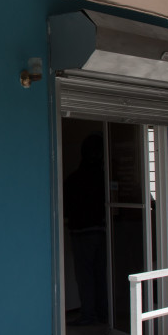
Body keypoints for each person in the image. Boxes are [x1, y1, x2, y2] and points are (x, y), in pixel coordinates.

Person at [65, 134, 107, 325]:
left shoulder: (74, 179)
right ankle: (104, 313)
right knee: (101, 274)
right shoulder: (104, 177)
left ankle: (89, 314)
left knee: (85, 276)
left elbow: (65, 207)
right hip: (102, 231)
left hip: (81, 232)